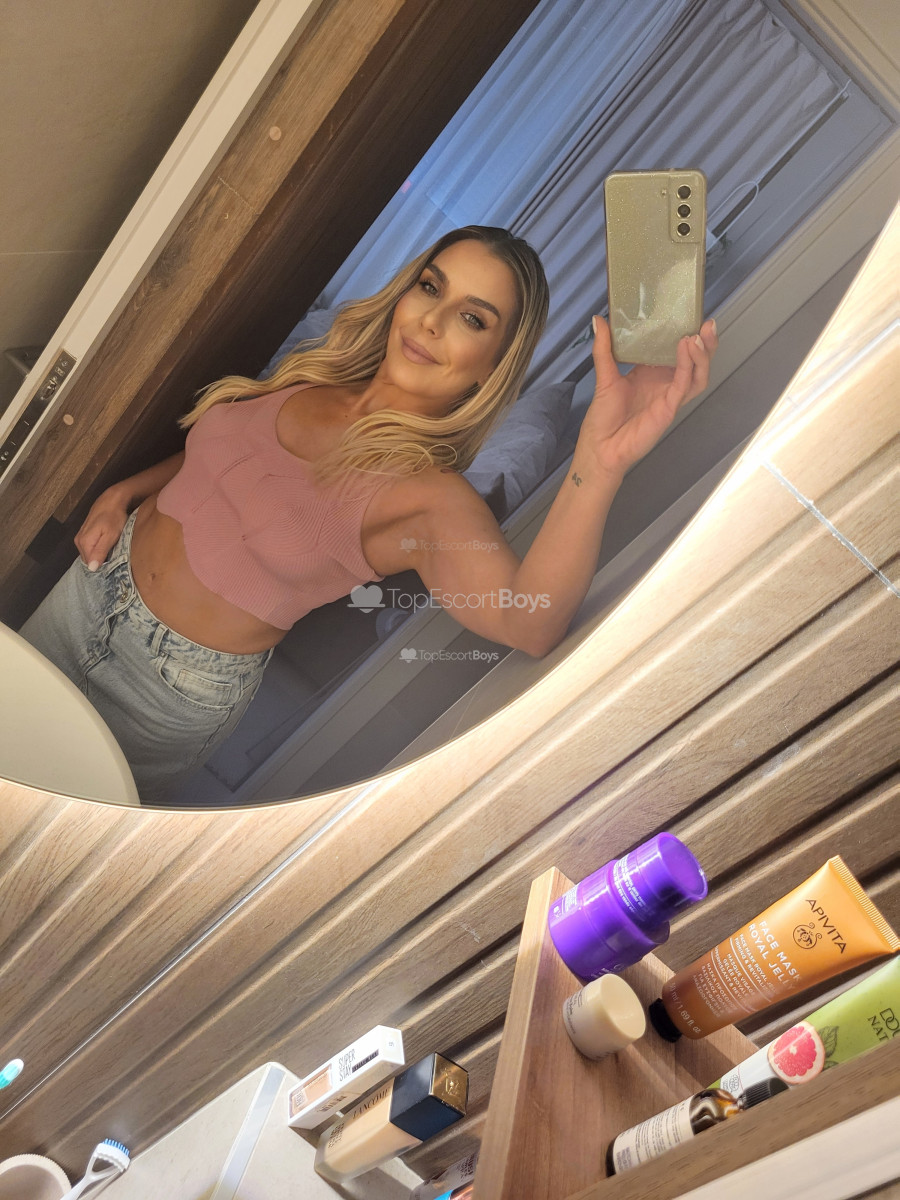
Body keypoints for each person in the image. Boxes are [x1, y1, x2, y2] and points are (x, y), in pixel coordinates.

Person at [19, 226, 717, 805]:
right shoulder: (315, 371)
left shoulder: (431, 498)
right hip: (86, 590)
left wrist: (600, 461)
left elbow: (529, 622)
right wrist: (124, 493)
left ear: (493, 367)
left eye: (473, 318)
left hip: (164, 691)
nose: (433, 321)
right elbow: (216, 464)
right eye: (431, 287)